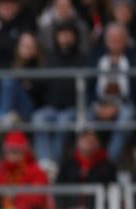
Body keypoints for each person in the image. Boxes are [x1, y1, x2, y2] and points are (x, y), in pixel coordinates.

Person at [33, 20, 86, 174]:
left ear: (75, 37)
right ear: (56, 37)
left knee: (63, 122)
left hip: (72, 108)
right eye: (62, 34)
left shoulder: (82, 59)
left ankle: (54, 164)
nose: (65, 38)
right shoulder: (48, 59)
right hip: (51, 107)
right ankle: (44, 162)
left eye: (69, 34)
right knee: (38, 118)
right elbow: (40, 87)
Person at [89, 23, 136, 162]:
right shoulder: (96, 57)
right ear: (106, 40)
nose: (115, 42)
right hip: (98, 103)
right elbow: (88, 86)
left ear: (125, 40)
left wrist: (117, 107)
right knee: (84, 120)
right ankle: (90, 162)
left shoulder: (133, 58)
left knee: (126, 119)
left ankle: (109, 161)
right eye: (112, 39)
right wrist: (97, 106)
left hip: (125, 104)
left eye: (118, 39)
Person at [0, 131, 54, 209]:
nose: (10, 154)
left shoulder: (37, 172)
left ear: (24, 151)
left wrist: (15, 195)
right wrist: (2, 195)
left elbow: (38, 198)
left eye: (15, 151)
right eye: (8, 150)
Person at [55, 130, 117, 209]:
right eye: (86, 140)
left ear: (98, 144)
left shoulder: (107, 167)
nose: (89, 143)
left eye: (92, 141)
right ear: (78, 143)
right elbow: (58, 190)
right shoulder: (67, 165)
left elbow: (111, 192)